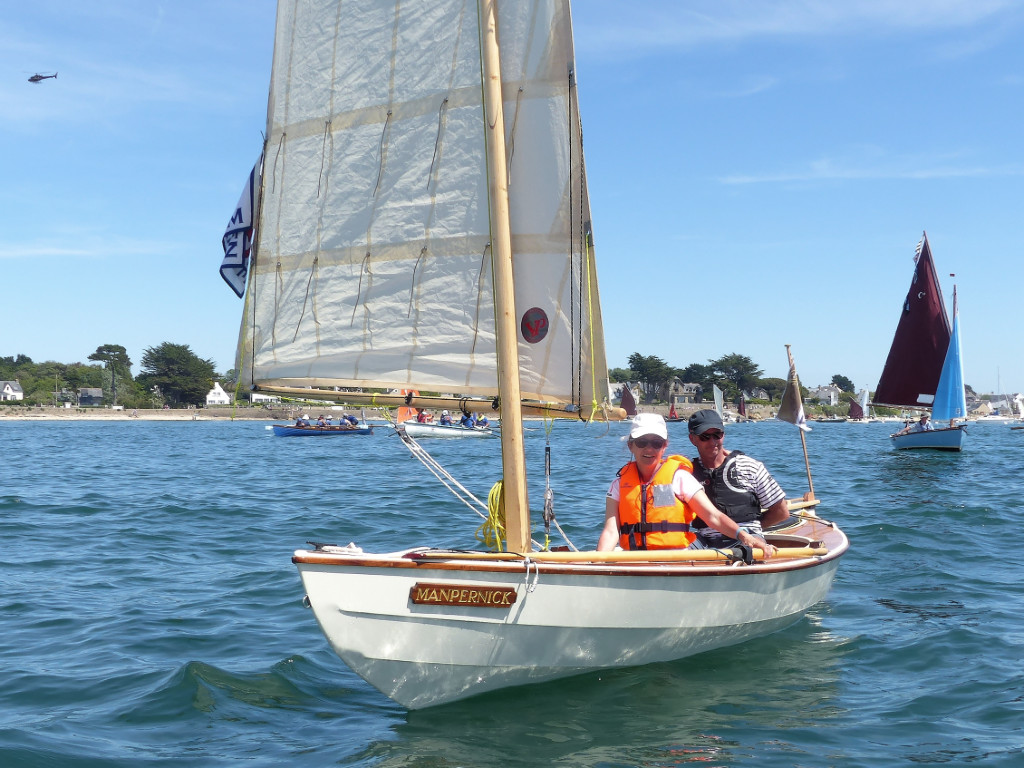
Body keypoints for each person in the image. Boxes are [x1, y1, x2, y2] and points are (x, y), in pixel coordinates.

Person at [597, 413, 776, 557]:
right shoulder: (618, 484)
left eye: (656, 443)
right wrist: (597, 564)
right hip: (635, 559)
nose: (649, 449)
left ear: (665, 446)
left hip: (675, 559)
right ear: (631, 446)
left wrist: (744, 536)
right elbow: (611, 531)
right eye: (642, 442)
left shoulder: (680, 478)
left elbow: (712, 516)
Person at [686, 409, 790, 549]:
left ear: (724, 434)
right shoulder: (687, 474)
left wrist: (753, 529)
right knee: (677, 552)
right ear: (692, 439)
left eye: (717, 434)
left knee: (747, 551)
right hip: (704, 539)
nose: (713, 441)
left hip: (748, 535)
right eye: (705, 436)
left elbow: (781, 512)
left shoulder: (749, 467)